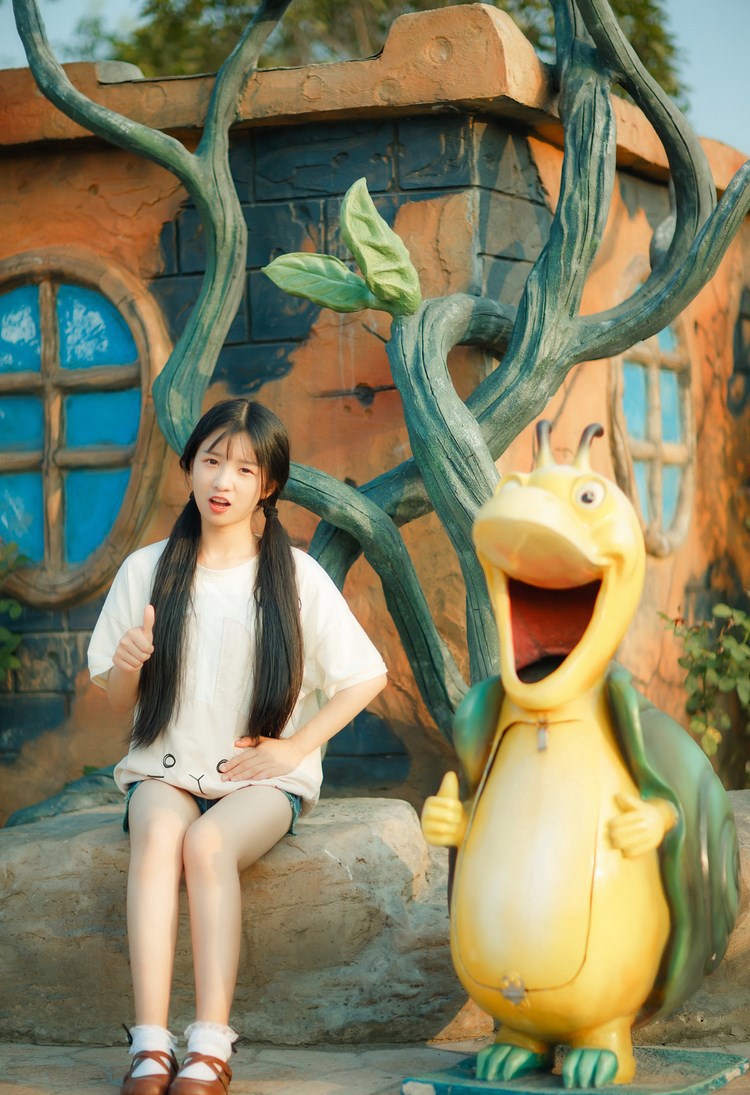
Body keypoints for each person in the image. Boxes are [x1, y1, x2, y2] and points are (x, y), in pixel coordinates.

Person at [88, 398, 387, 1095]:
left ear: (268, 485)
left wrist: (294, 748)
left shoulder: (296, 576)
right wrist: (129, 664)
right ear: (189, 466)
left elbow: (366, 676)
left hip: (260, 780)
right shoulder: (146, 569)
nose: (224, 480)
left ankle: (211, 1044)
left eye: (245, 468)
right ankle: (151, 1044)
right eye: (212, 460)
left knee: (208, 845)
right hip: (166, 769)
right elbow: (118, 705)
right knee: (160, 835)